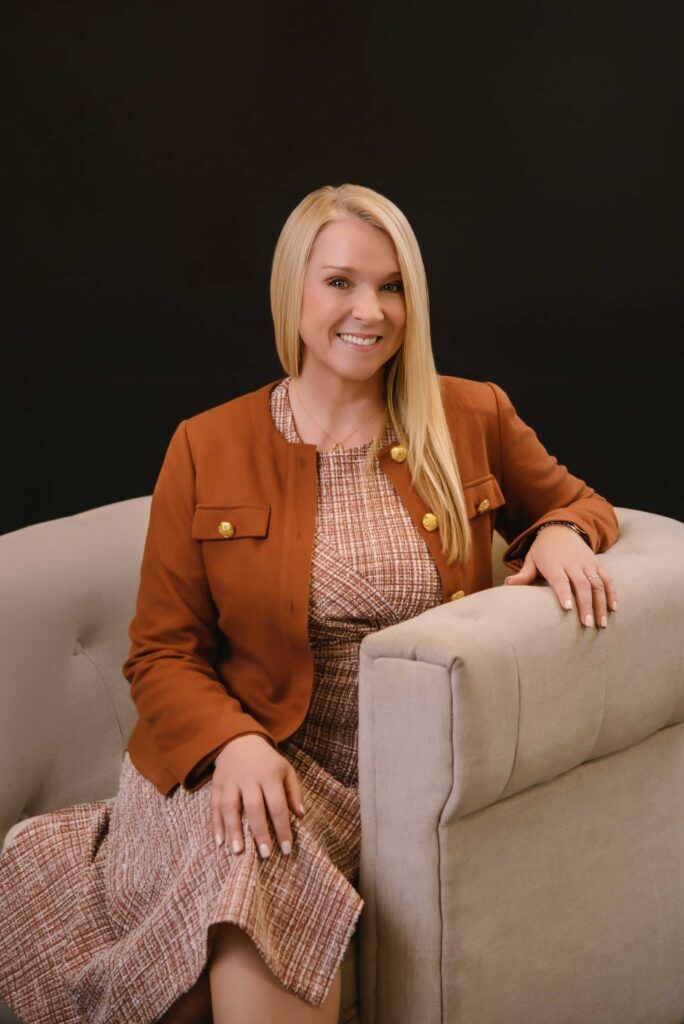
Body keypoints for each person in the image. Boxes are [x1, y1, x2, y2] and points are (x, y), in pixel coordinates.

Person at [0, 183, 619, 1024]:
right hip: (238, 757)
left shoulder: (472, 413)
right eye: (340, 282)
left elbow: (580, 502)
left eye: (392, 286)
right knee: (252, 853)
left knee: (245, 881)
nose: (371, 310)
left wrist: (564, 532)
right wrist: (232, 744)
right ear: (291, 292)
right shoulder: (207, 444)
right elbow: (162, 652)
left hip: (401, 774)